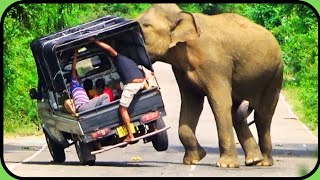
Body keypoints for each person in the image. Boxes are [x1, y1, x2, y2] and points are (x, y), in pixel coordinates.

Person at [92, 38, 153, 142]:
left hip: (133, 85)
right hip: (141, 82)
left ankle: (130, 135)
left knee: (122, 109)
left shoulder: (118, 58)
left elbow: (110, 49)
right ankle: (153, 127)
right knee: (119, 85)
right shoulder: (128, 60)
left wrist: (95, 41)